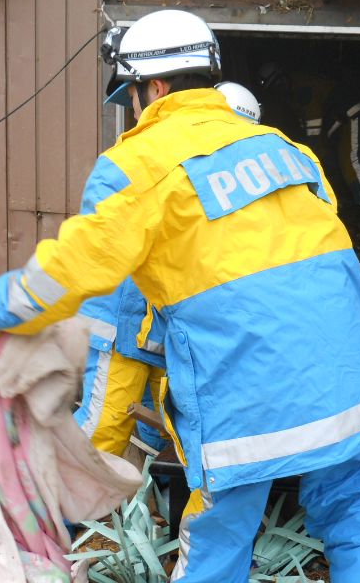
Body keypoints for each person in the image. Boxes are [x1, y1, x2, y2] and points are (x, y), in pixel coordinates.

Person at [0, 10, 360, 583]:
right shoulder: (285, 148)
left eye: (132, 95)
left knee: (219, 537)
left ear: (154, 87)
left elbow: (70, 271)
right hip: (351, 384)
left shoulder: (140, 163)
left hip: (249, 398)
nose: (133, 109)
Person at [75, 81, 264, 458]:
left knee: (165, 429)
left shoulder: (222, 171)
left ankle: (146, 503)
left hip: (169, 330)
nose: (133, 111)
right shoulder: (152, 158)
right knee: (103, 428)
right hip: (127, 323)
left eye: (132, 99)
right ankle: (53, 516)